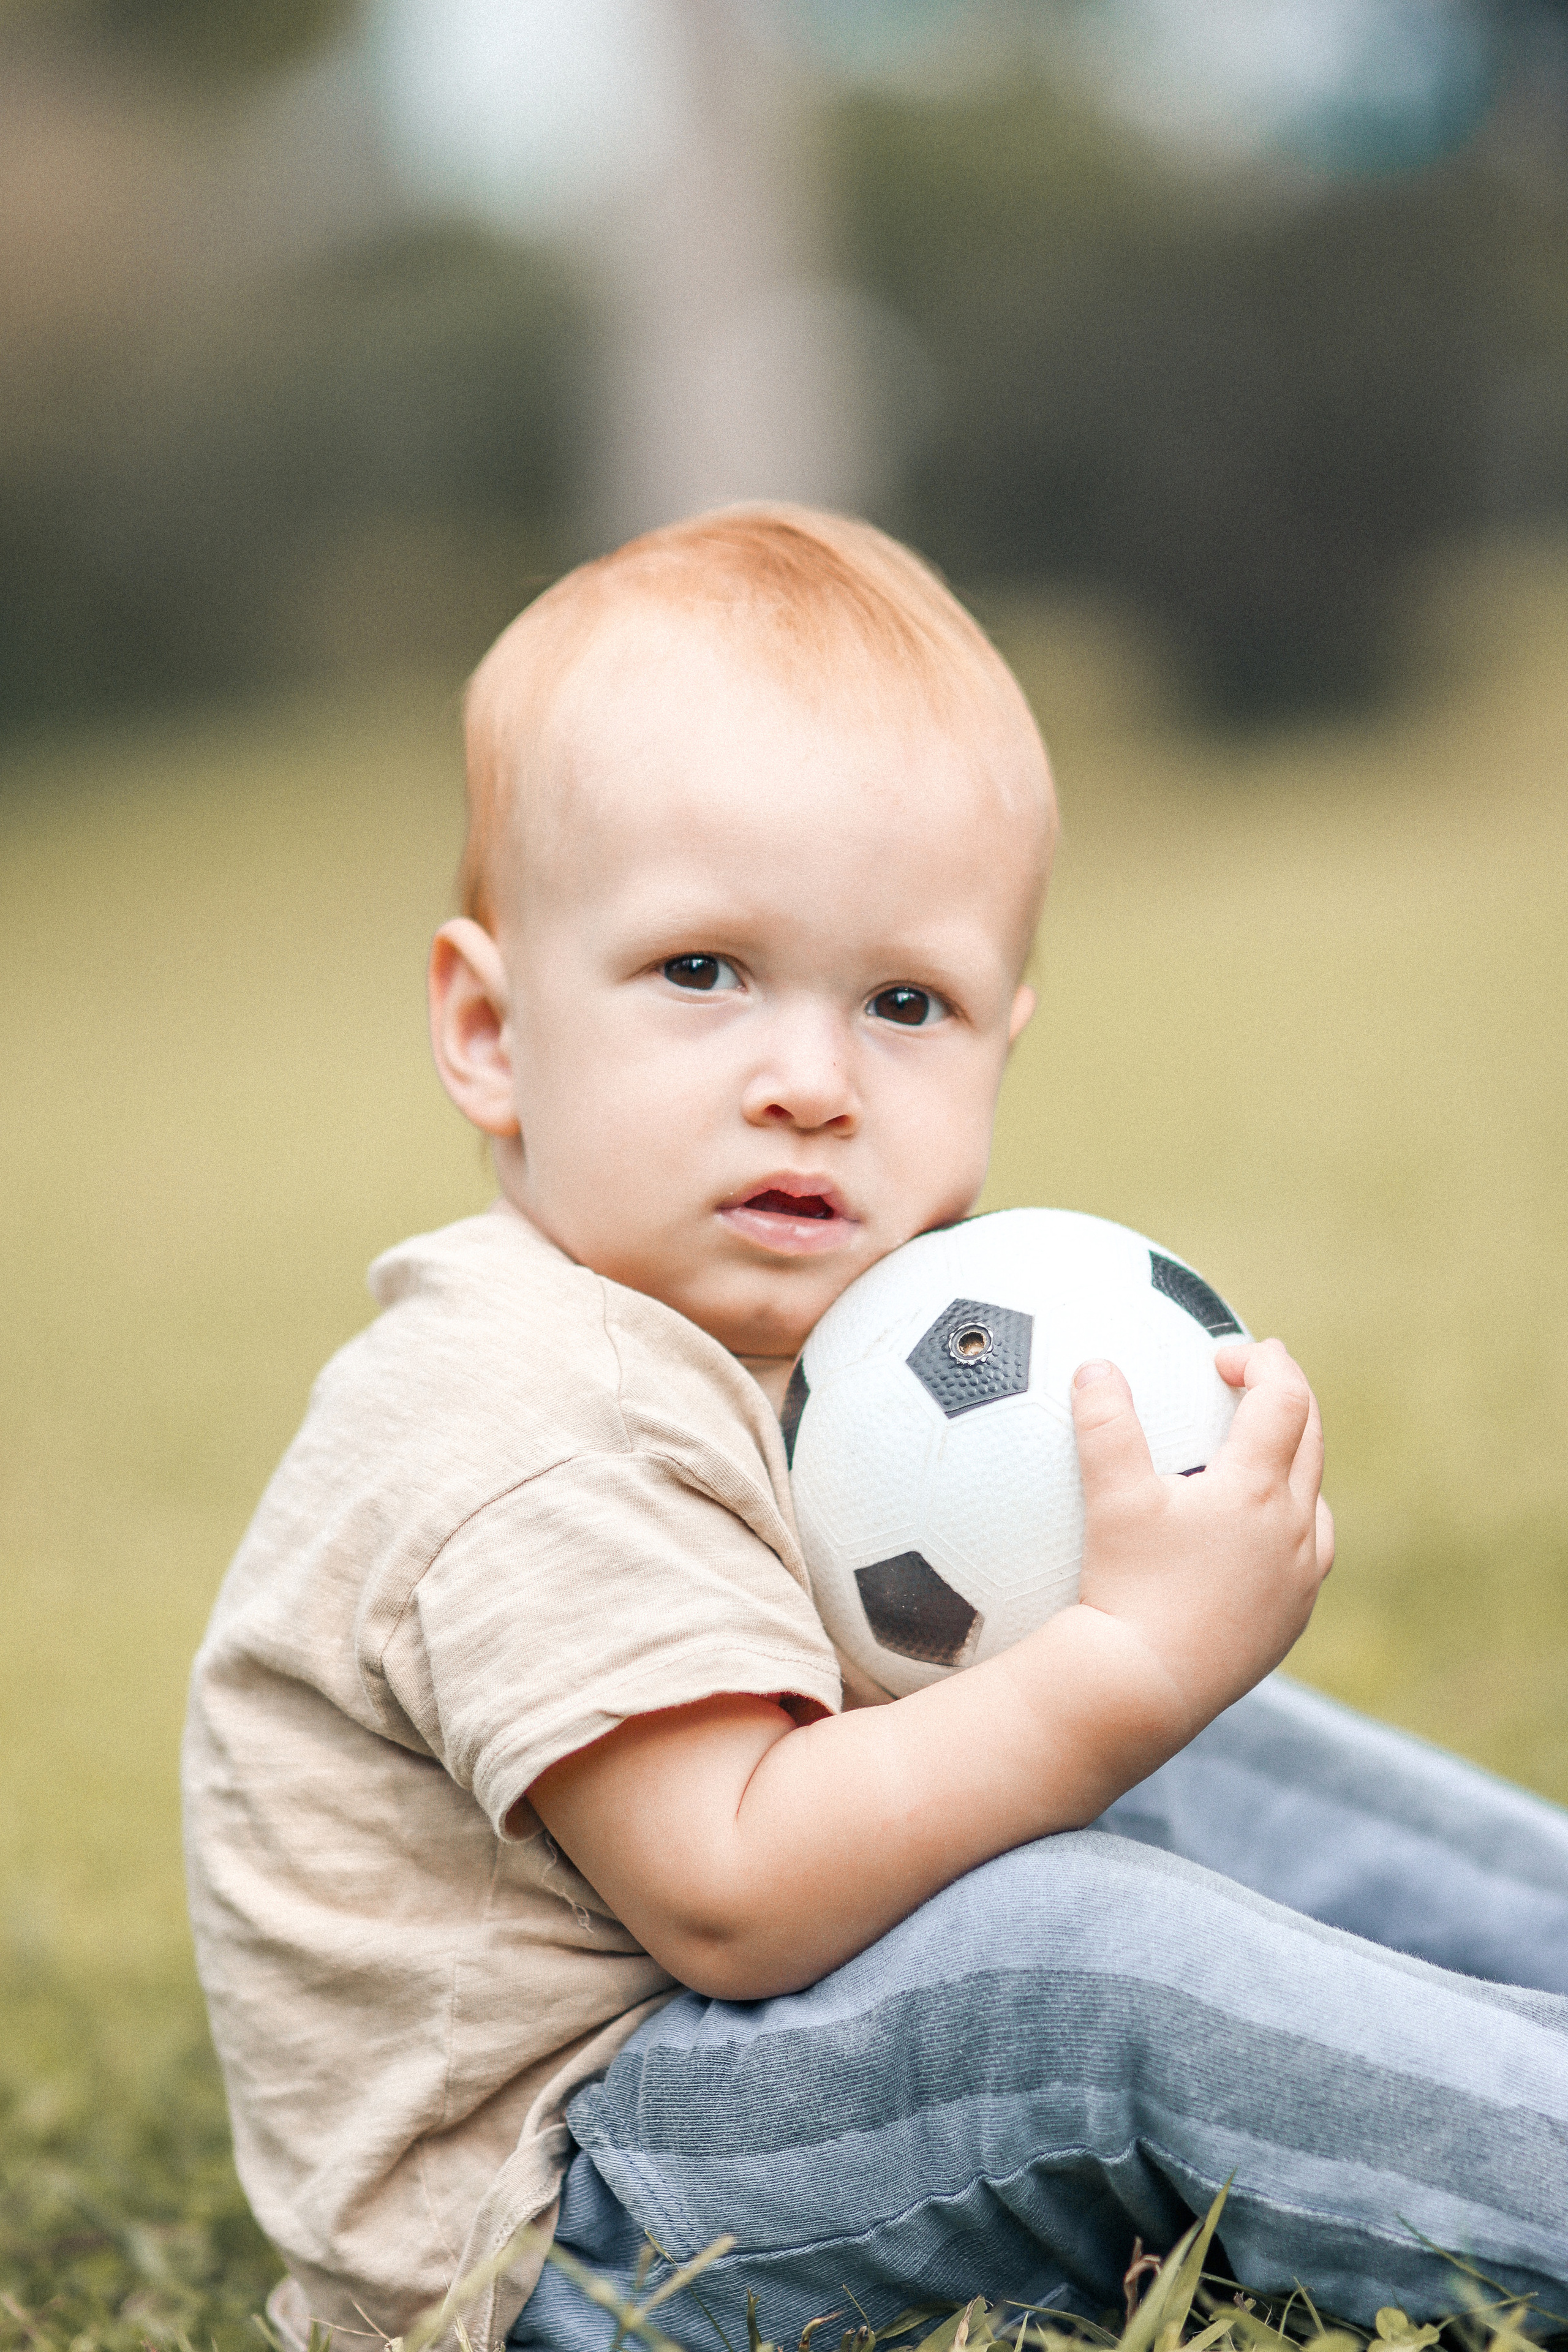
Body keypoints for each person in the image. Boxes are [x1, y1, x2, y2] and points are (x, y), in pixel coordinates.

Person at [182, 507, 1568, 2352]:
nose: (812, 1083)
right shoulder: (520, 1410)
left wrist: (1135, 1675)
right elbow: (737, 1897)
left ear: (1006, 1035)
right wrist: (1121, 1667)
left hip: (748, 2086)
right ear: (490, 1029)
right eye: (701, 973)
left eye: (905, 1003)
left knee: (1175, 1750)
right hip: (571, 2223)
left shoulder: (821, 1353)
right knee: (1077, 1946)